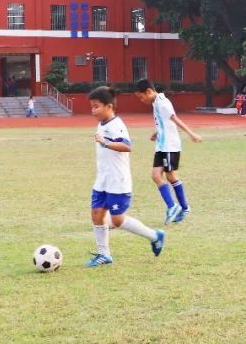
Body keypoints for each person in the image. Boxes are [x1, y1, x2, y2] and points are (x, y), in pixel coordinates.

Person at [85, 86, 165, 267]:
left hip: (118, 181)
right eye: (92, 107)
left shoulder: (117, 125)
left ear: (109, 106)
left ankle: (155, 236)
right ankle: (104, 254)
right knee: (96, 215)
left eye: (96, 106)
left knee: (117, 220)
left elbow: (127, 146)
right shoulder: (102, 123)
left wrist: (105, 142)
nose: (93, 111)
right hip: (103, 179)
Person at [133, 80, 203, 223]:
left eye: (141, 97)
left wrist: (192, 134)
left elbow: (174, 119)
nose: (141, 100)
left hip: (169, 146)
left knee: (170, 177)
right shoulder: (156, 102)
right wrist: (157, 132)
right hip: (161, 145)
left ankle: (179, 207)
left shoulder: (162, 103)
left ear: (148, 91)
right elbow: (164, 122)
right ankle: (179, 207)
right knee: (156, 175)